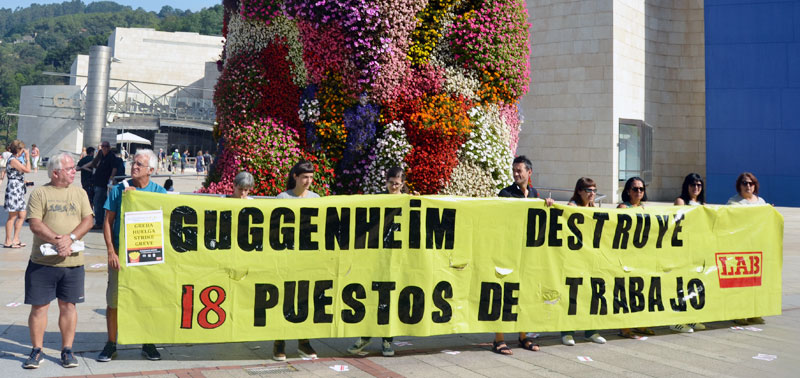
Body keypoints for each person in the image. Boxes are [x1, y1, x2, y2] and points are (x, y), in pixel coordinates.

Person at [22, 152, 93, 369]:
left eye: (74, 168)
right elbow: (34, 223)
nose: (74, 171)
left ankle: (67, 350)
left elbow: (88, 220)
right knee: (39, 308)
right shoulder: (40, 193)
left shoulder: (80, 193)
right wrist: (57, 241)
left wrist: (70, 239)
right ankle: (36, 350)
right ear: (55, 172)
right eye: (70, 168)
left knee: (69, 307)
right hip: (43, 263)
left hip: (72, 264)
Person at [97, 149, 167, 362]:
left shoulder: (159, 193)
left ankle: (148, 342)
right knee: (114, 301)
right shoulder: (120, 190)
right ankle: (111, 343)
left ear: (151, 170)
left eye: (139, 164)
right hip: (121, 256)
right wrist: (111, 251)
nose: (134, 167)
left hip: (148, 256)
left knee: (147, 300)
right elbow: (107, 222)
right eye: (133, 163)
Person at [346, 167, 414, 358]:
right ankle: (365, 336)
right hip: (376, 256)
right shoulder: (377, 199)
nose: (393, 186)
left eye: (397, 184)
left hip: (397, 256)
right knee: (370, 295)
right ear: (386, 181)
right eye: (391, 182)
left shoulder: (408, 201)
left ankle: (387, 339)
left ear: (403, 184)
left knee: (390, 297)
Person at [491, 155, 551, 355]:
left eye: (520, 171)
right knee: (505, 292)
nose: (516, 174)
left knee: (524, 294)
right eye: (514, 170)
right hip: (508, 251)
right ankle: (499, 339)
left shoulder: (534, 194)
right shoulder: (505, 193)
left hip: (528, 253)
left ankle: (523, 335)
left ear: (529, 173)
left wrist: (547, 205)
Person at [273, 161, 318, 361]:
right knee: (284, 298)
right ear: (295, 177)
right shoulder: (283, 198)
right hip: (287, 256)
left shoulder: (316, 198)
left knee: (305, 298)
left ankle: (304, 342)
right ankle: (279, 342)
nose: (308, 181)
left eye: (310, 177)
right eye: (304, 177)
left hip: (307, 257)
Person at [560, 177, 607, 346]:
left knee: (593, 294)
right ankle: (567, 331)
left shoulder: (594, 207)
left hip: (591, 259)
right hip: (574, 258)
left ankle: (591, 331)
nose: (592, 194)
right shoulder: (572, 207)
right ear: (579, 191)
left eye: (594, 190)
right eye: (589, 190)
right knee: (573, 295)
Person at [668, 173, 708, 333]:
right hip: (682, 248)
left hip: (697, 249)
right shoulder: (681, 201)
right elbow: (679, 222)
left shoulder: (703, 203)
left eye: (699, 185)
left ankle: (691, 318)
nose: (696, 188)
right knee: (680, 284)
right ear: (687, 186)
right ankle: (676, 320)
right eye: (693, 185)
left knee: (694, 283)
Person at [617, 177, 655, 338]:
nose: (639, 191)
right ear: (627, 191)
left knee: (640, 290)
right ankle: (625, 326)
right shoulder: (622, 207)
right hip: (626, 254)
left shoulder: (644, 207)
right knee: (626, 290)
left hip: (641, 255)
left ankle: (640, 323)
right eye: (635, 189)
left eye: (641, 189)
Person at [727, 172, 767, 325]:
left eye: (750, 183)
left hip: (757, 248)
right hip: (741, 248)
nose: (748, 186)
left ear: (755, 185)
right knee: (740, 282)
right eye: (744, 183)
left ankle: (754, 312)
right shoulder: (734, 202)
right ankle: (738, 313)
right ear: (739, 186)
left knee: (756, 282)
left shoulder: (761, 201)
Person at [78, 141, 117, 230]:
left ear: (109, 147)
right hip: (96, 181)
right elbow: (93, 163)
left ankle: (99, 223)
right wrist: (90, 167)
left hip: (103, 183)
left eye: (107, 146)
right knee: (97, 202)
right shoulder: (100, 154)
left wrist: (111, 178)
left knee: (98, 202)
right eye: (103, 146)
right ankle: (99, 221)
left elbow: (114, 168)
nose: (105, 148)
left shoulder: (111, 156)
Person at [5, 140, 32, 248]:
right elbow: (27, 170)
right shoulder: (12, 160)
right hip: (13, 189)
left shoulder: (15, 160)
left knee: (22, 215)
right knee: (12, 216)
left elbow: (16, 174)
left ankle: (16, 239)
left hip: (18, 188)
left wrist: (24, 182)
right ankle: (8, 240)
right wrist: (27, 157)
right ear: (19, 150)